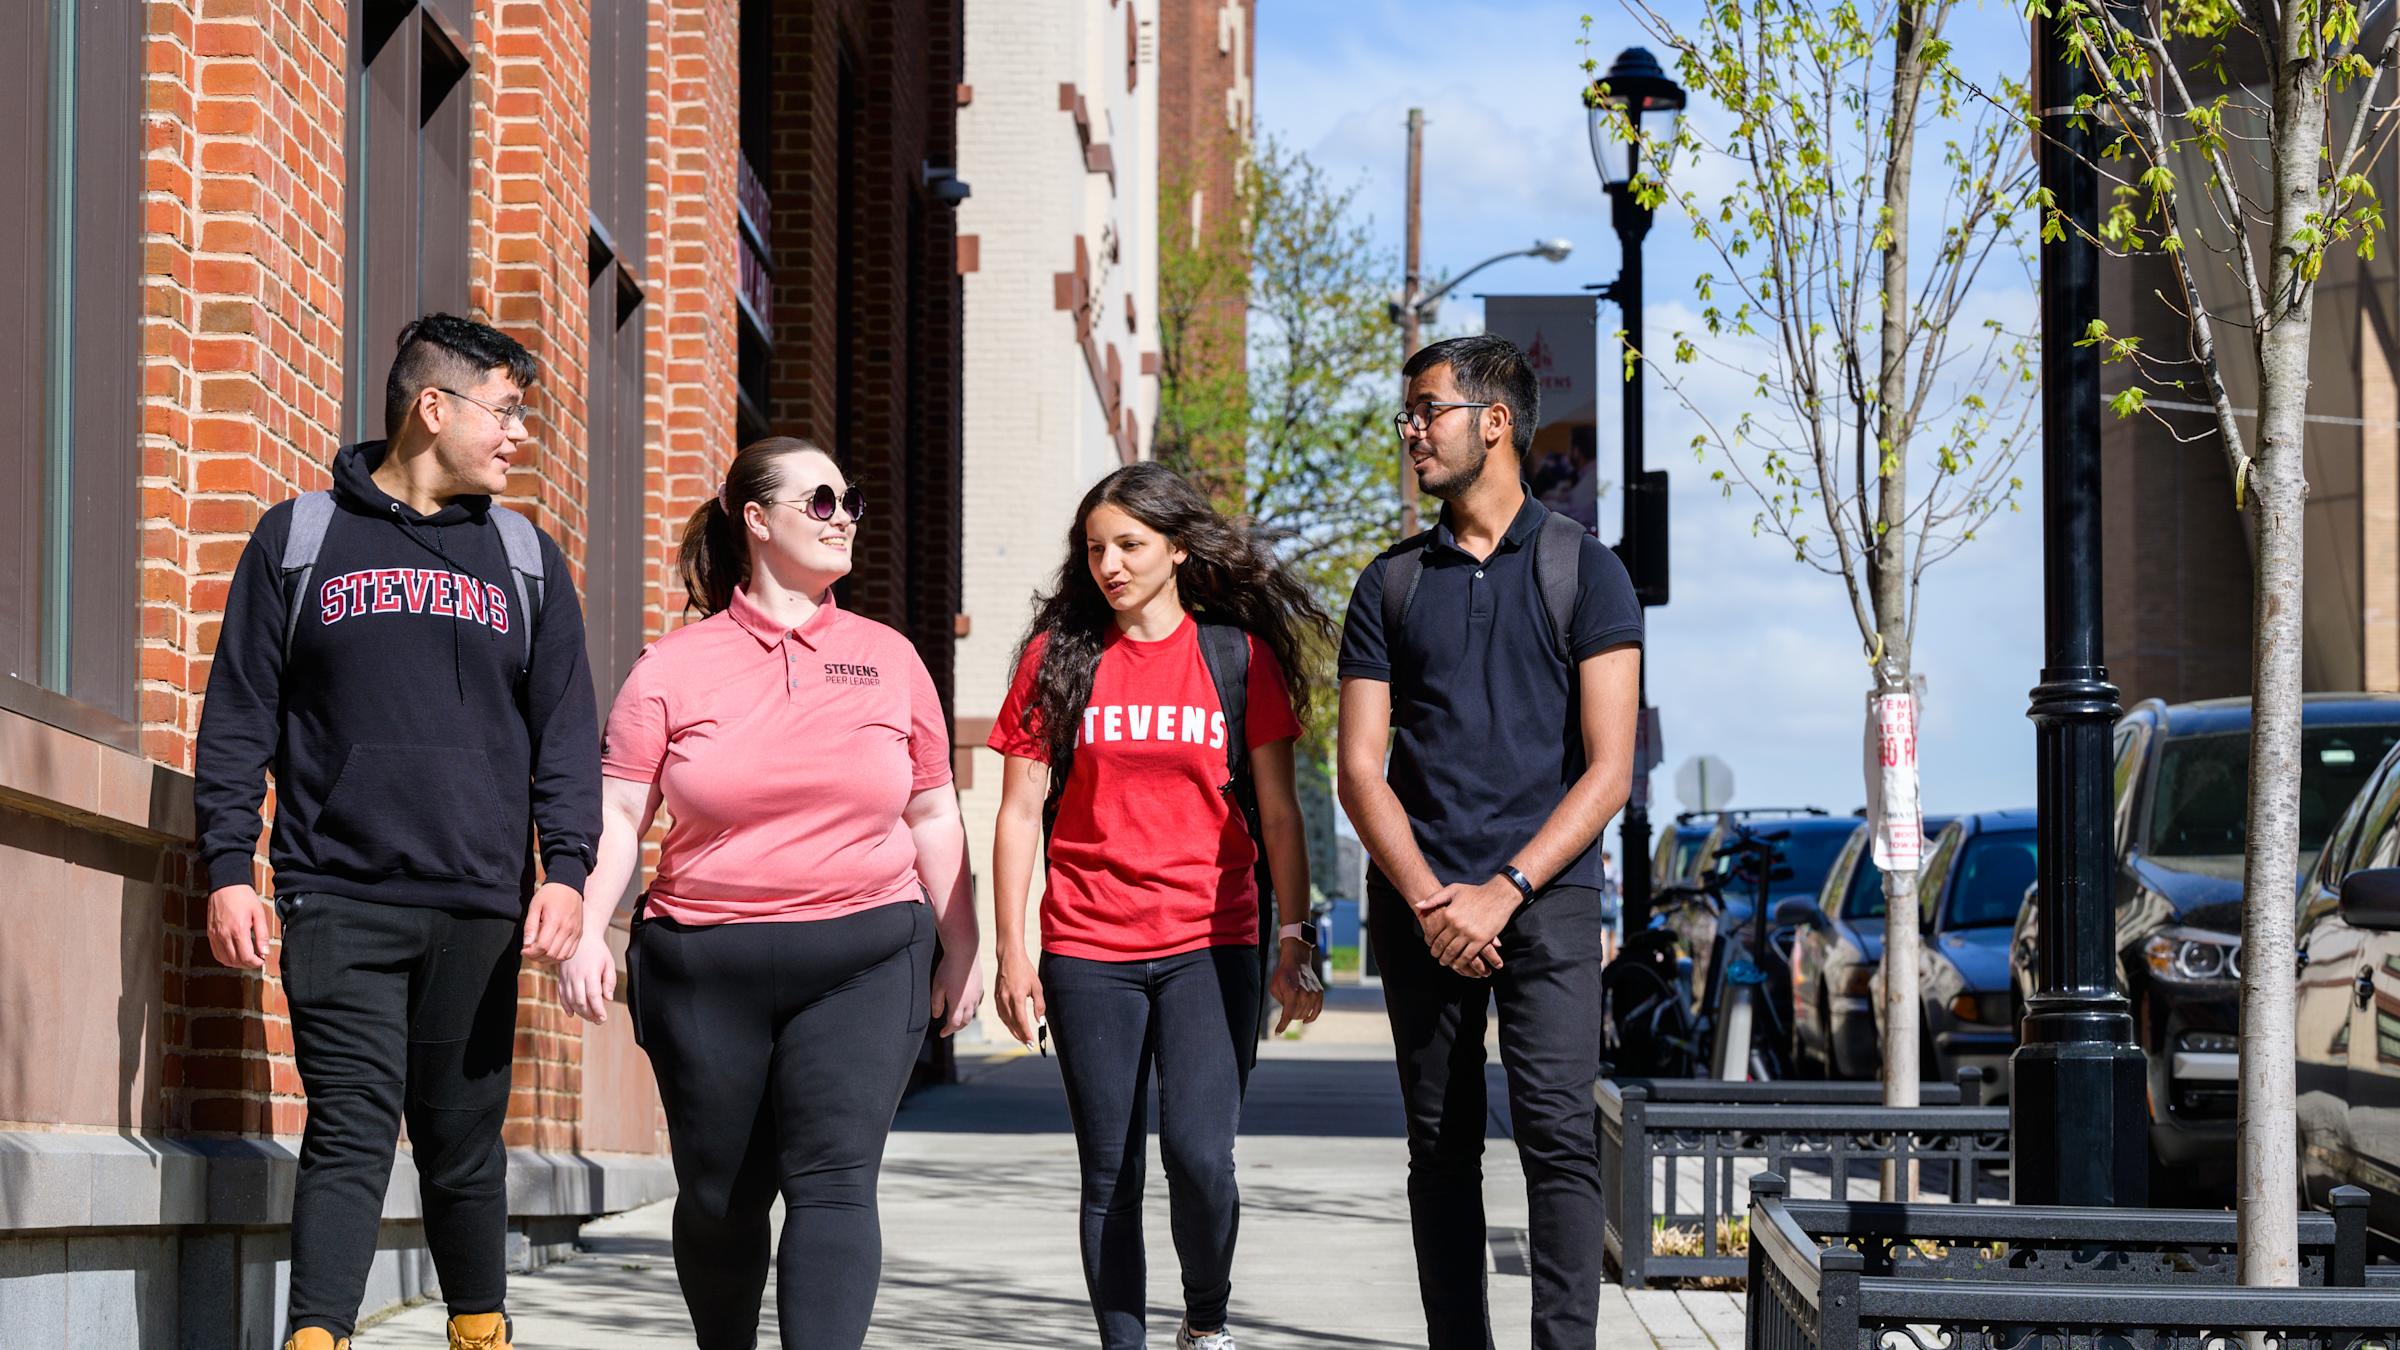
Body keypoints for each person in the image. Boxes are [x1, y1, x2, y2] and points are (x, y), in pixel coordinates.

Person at [194, 314, 600, 1350]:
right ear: (434, 407)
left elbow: (564, 734)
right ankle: (317, 1337)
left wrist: (569, 874)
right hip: (337, 895)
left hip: (478, 904)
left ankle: (479, 1330)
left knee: (464, 1145)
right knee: (350, 1131)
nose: (520, 436)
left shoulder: (527, 560)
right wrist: (227, 866)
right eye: (505, 413)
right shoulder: (301, 539)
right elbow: (239, 712)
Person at [555, 436, 981, 1350]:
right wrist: (590, 929)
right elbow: (621, 814)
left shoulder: (891, 658)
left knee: (833, 1180)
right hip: (705, 962)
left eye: (850, 500)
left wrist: (964, 943)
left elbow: (934, 813)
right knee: (720, 1193)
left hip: (867, 954)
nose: (844, 520)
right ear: (756, 520)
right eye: (821, 502)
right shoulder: (671, 667)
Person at [1335, 334, 1643, 1349]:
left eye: (1427, 410)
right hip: (1423, 901)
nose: (1411, 431)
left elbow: (1610, 769)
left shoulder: (1586, 572)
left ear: (1495, 421)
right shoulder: (1390, 586)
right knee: (1440, 1145)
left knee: (1558, 1137)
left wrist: (1504, 888)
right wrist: (1432, 900)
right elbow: (1359, 769)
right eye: (1408, 414)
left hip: (1543, 898)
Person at [988, 463, 1330, 1350]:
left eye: (1130, 545)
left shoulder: (1235, 657)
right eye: (1095, 548)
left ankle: (1205, 1318)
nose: (1109, 564)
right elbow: (1020, 812)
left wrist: (1295, 939)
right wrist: (1012, 954)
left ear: (1178, 549)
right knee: (1109, 1171)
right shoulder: (1055, 660)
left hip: (1213, 944)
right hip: (1087, 946)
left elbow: (1281, 815)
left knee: (1199, 1158)